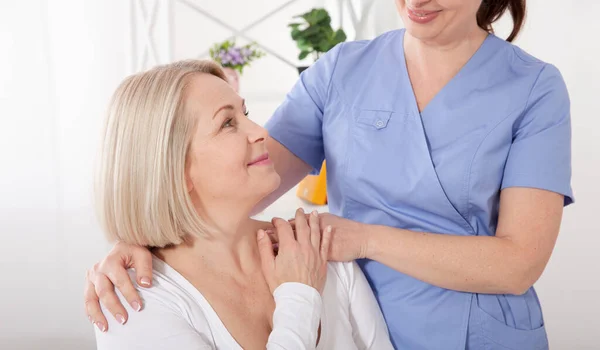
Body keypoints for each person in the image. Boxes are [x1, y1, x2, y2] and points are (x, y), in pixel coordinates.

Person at [85, 0, 574, 349]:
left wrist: (363, 240)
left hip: (472, 331)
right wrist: (138, 239)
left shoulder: (533, 89)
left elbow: (518, 264)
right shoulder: (342, 71)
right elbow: (220, 179)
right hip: (341, 316)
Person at [90, 59, 393, 349]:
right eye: (227, 123)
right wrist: (299, 295)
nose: (261, 132)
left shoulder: (318, 248)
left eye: (245, 113)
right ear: (174, 170)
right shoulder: (133, 301)